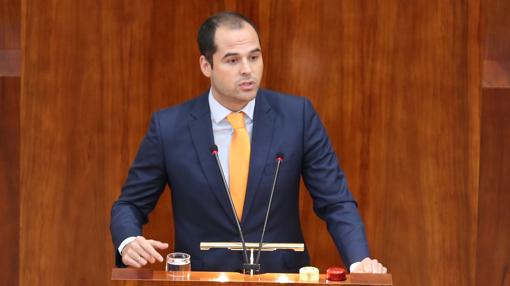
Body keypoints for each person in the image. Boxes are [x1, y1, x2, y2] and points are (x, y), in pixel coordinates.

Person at [110, 11, 387, 274]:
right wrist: (128, 240)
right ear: (206, 65)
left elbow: (335, 201)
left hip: (279, 276)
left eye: (254, 57)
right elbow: (130, 204)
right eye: (232, 60)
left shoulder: (297, 117)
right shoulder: (169, 127)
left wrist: (359, 260)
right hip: (203, 278)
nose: (247, 70)